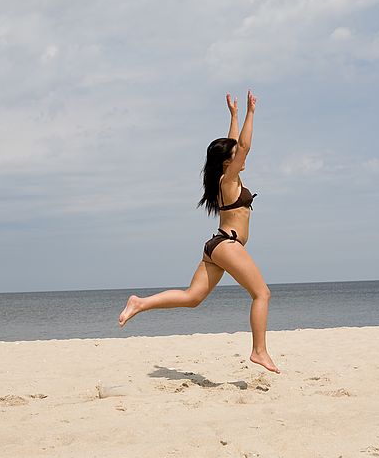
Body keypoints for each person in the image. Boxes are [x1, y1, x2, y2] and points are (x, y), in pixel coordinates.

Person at [118, 90, 280, 373]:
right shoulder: (228, 180)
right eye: (235, 156)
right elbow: (243, 146)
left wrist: (233, 115)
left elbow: (233, 145)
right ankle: (259, 351)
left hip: (216, 247)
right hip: (228, 245)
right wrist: (251, 113)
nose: (240, 156)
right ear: (229, 162)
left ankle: (140, 303)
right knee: (262, 294)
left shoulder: (225, 177)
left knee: (192, 297)